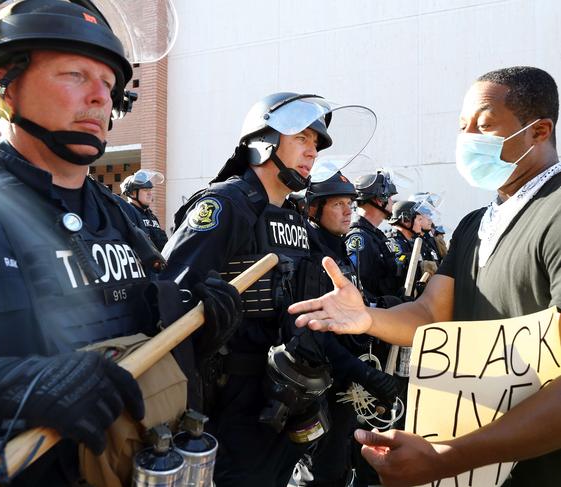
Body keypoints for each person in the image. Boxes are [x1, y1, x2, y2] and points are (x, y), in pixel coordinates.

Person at [0, 1, 240, 484]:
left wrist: (195, 329)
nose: (99, 98)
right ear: (4, 87)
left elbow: (138, 346)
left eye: (108, 84)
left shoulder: (123, 217)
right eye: (74, 75)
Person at [289, 66, 561, 487]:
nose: (467, 138)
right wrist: (368, 317)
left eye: (484, 126)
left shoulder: (555, 211)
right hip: (475, 466)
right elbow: (432, 312)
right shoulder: (476, 224)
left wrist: (445, 459)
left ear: (539, 131)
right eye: (462, 126)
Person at [162, 92, 387, 486]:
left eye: (316, 143)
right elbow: (170, 298)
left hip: (285, 393)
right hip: (229, 401)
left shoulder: (295, 218)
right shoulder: (225, 205)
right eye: (302, 138)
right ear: (263, 141)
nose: (311, 152)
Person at [303, 166, 399, 487]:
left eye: (349, 202)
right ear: (313, 208)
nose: (348, 211)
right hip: (322, 385)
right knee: (322, 471)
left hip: (347, 376)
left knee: (344, 461)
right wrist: (364, 374)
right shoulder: (313, 253)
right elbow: (316, 328)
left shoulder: (338, 244)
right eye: (337, 204)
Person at [345, 171, 403, 299]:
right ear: (379, 200)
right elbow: (362, 288)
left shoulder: (376, 235)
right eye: (389, 197)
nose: (392, 202)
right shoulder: (360, 237)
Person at [121, 169, 169, 251]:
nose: (150, 193)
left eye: (150, 190)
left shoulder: (152, 216)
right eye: (145, 190)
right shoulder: (126, 214)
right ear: (132, 193)